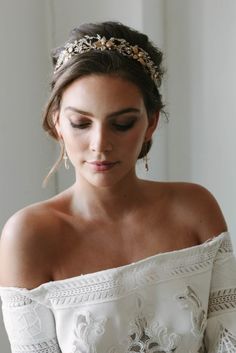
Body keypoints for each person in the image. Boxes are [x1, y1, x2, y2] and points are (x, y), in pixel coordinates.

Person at [0, 21, 235, 353]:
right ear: (57, 123)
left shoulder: (195, 209)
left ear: (151, 122)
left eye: (122, 124)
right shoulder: (28, 236)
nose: (100, 144)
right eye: (80, 123)